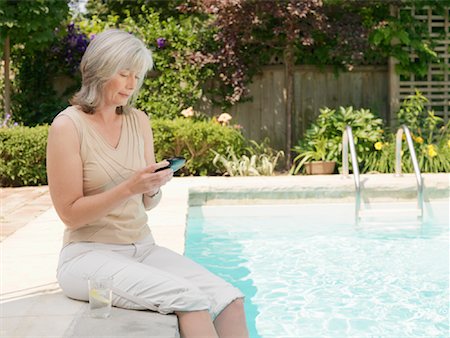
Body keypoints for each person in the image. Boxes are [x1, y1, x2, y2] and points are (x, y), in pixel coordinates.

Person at [46, 29, 248, 338]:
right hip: (87, 256)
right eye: (124, 73)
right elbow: (70, 214)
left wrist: (152, 186)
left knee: (229, 299)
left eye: (137, 76)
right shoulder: (67, 126)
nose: (132, 84)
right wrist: (129, 187)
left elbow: (147, 203)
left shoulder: (138, 120)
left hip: (142, 248)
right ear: (99, 70)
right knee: (189, 299)